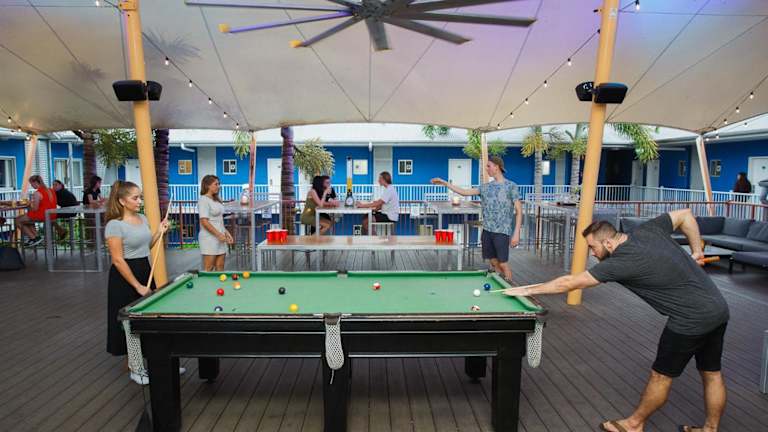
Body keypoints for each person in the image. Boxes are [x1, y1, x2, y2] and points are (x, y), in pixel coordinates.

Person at [504, 209, 729, 432]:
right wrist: (697, 250)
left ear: (609, 243)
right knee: (711, 373)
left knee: (660, 376)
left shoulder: (620, 263)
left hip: (689, 320)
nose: (592, 254)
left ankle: (633, 425)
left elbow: (569, 283)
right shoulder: (647, 230)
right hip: (717, 308)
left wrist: (527, 290)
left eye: (593, 247)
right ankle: (710, 429)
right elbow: (685, 215)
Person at [104, 180, 175, 385]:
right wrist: (137, 286)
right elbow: (118, 259)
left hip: (144, 269)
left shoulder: (142, 218)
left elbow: (146, 245)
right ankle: (135, 368)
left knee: (148, 318)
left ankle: (158, 363)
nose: (139, 201)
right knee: (130, 322)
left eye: (140, 197)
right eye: (135, 198)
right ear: (122, 201)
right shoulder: (114, 225)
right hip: (124, 277)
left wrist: (159, 231)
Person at [431, 156, 522, 281]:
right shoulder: (485, 187)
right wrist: (445, 183)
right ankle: (501, 284)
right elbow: (464, 192)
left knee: (503, 263)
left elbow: (519, 211)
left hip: (502, 231)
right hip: (487, 231)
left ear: (497, 167)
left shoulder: (511, 186)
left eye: (489, 166)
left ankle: (510, 286)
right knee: (493, 262)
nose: (487, 169)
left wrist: (516, 233)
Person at [198, 175, 233, 271]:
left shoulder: (216, 200)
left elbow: (219, 221)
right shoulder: (203, 200)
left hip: (220, 237)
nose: (218, 186)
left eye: (219, 184)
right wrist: (218, 234)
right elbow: (204, 221)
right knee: (209, 268)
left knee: (220, 267)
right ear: (207, 185)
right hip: (209, 238)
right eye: (216, 184)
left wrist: (227, 233)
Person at [16, 175, 58, 247]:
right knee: (26, 219)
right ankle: (36, 237)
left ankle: (33, 238)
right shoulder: (51, 190)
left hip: (42, 215)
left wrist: (29, 205)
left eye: (31, 183)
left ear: (35, 182)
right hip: (52, 214)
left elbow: (35, 209)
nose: (31, 185)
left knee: (17, 220)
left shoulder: (37, 193)